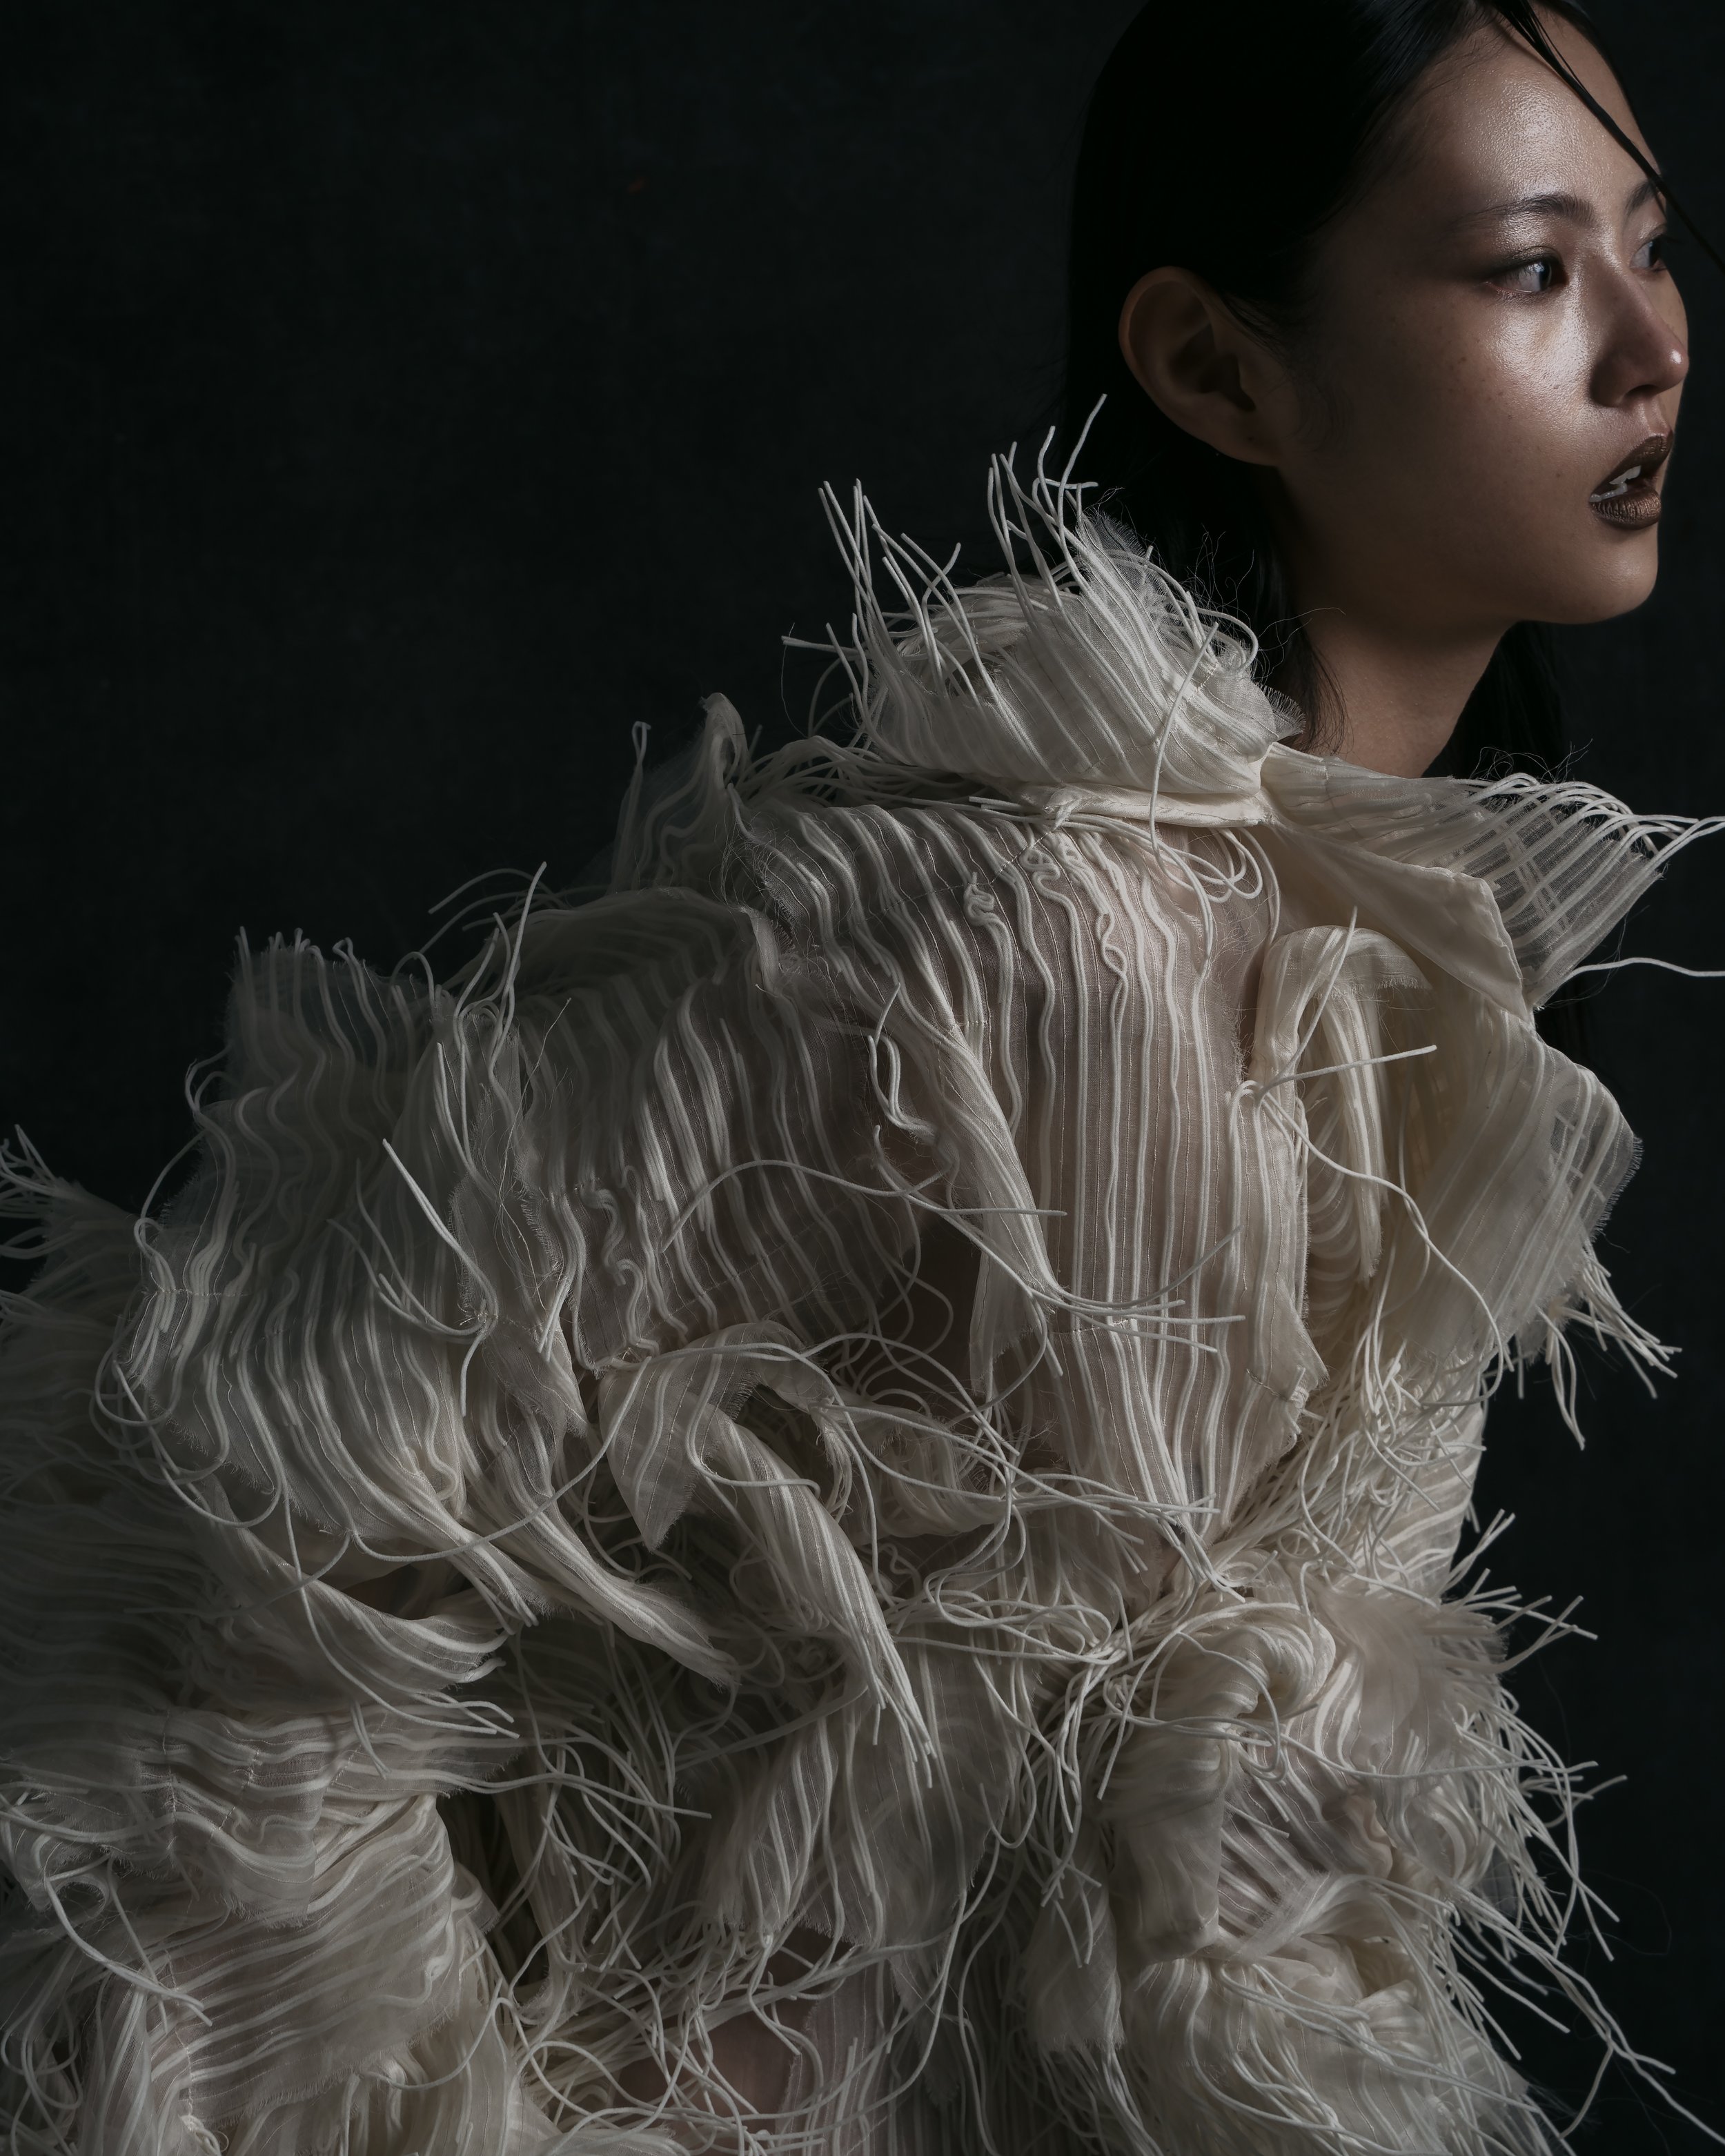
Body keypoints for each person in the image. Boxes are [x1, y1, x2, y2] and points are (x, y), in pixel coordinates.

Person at [0, 3, 1712, 2151]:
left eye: (1656, 248)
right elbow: (235, 1497)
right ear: (1214, 367)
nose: (1650, 347)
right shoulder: (1007, 931)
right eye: (1533, 269)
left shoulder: (1409, 989)